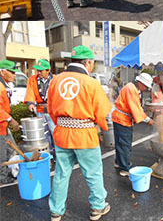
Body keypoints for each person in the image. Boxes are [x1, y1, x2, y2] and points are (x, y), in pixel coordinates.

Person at [47, 45, 112, 221]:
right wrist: (102, 127)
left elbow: (51, 110)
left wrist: (63, 124)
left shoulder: (55, 80)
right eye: (92, 63)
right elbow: (102, 112)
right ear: (88, 62)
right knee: (93, 173)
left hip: (62, 133)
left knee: (61, 174)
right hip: (85, 135)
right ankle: (97, 208)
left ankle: (56, 211)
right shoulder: (91, 83)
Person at [112, 73, 155, 177]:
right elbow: (136, 109)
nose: (145, 88)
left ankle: (118, 162)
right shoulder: (131, 89)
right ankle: (125, 168)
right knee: (124, 144)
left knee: (120, 142)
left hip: (119, 118)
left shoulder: (131, 87)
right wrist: (148, 120)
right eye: (145, 86)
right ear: (139, 82)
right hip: (122, 120)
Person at [24, 59, 56, 151]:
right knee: (43, 134)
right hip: (40, 110)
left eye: (41, 70)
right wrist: (30, 103)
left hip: (52, 111)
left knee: (55, 132)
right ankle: (49, 152)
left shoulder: (55, 79)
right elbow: (30, 92)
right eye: (38, 70)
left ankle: (58, 153)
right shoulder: (32, 79)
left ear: (48, 70)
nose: (39, 72)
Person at [0, 60, 19, 185]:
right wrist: (11, 119)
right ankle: (3, 177)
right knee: (2, 153)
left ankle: (8, 174)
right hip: (1, 126)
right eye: (11, 72)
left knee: (12, 149)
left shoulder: (4, 86)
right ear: (2, 72)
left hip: (3, 125)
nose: (14, 75)